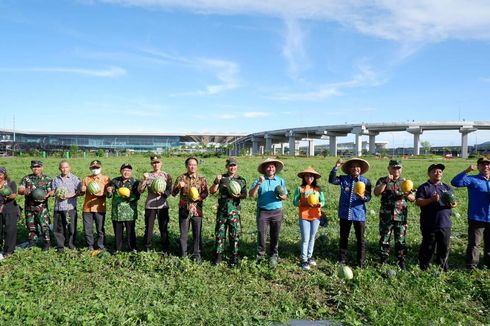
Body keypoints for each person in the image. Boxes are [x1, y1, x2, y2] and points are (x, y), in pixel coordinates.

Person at [328, 157, 372, 268]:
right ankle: (342, 259)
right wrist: (336, 167)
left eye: (357, 166)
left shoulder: (366, 181)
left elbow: (368, 197)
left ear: (360, 169)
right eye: (352, 166)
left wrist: (363, 197)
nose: (355, 168)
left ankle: (361, 261)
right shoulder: (344, 179)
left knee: (360, 239)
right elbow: (332, 180)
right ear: (349, 169)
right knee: (344, 237)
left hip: (359, 213)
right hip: (345, 213)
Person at [374, 160, 415, 269]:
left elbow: (412, 198)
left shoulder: (405, 182)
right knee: (384, 238)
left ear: (401, 169)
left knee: (400, 239)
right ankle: (384, 259)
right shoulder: (383, 180)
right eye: (394, 168)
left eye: (398, 168)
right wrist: (385, 182)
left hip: (401, 216)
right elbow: (377, 193)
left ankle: (401, 260)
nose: (396, 170)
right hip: (386, 216)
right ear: (389, 169)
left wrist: (407, 195)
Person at [451, 156, 490, 270]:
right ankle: (471, 266)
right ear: (478, 167)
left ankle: (488, 263)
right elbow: (455, 182)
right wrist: (466, 171)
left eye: (487, 164)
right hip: (476, 217)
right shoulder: (472, 179)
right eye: (482, 164)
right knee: (474, 244)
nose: (485, 166)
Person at [416, 163, 456, 271]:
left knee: (443, 246)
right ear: (429, 174)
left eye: (440, 171)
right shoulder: (424, 187)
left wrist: (452, 204)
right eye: (434, 171)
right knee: (428, 245)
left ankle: (442, 266)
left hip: (444, 223)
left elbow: (454, 203)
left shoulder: (447, 187)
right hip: (429, 222)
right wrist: (430, 200)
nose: (437, 173)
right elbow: (419, 202)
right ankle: (424, 266)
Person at [249, 158, 288, 268]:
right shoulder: (260, 180)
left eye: (272, 166)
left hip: (277, 212)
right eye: (268, 167)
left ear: (275, 169)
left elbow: (285, 195)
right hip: (263, 212)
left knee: (275, 235)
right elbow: (251, 195)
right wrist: (259, 184)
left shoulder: (280, 180)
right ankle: (260, 256)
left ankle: (273, 255)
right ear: (264, 169)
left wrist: (282, 196)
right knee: (262, 235)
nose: (270, 168)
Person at [209, 157, 247, 267]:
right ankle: (218, 256)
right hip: (222, 210)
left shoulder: (241, 180)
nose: (232, 167)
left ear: (237, 167)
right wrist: (216, 182)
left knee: (234, 234)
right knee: (220, 234)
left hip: (234, 211)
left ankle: (234, 257)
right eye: (230, 165)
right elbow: (212, 191)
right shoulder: (221, 178)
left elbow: (245, 194)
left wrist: (239, 195)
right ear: (227, 167)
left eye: (234, 165)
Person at [172, 157, 209, 262]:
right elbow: (173, 194)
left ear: (197, 166)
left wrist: (199, 198)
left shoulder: (202, 179)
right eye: (190, 164)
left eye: (194, 165)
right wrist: (178, 187)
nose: (192, 166)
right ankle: (183, 254)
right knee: (183, 234)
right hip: (184, 208)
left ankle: (197, 254)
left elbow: (205, 192)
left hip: (197, 209)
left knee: (197, 232)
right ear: (186, 166)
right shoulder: (181, 178)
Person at [138, 155, 173, 253]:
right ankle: (147, 247)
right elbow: (140, 190)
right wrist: (144, 180)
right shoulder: (147, 175)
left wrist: (164, 194)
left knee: (164, 226)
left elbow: (170, 189)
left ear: (161, 163)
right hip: (150, 205)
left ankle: (165, 248)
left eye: (157, 162)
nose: (156, 164)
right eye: (154, 162)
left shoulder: (166, 175)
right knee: (149, 227)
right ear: (151, 164)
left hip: (163, 205)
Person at [293, 167, 325, 271]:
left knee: (312, 237)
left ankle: (310, 256)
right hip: (304, 216)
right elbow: (294, 202)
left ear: (314, 177)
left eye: (311, 176)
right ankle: (304, 259)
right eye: (307, 176)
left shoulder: (318, 189)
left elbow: (323, 201)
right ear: (304, 177)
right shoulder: (300, 188)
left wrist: (320, 203)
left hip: (316, 216)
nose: (309, 177)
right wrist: (303, 203)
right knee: (305, 239)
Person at [18, 160, 53, 251]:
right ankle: (32, 241)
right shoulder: (26, 179)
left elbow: (52, 190)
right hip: (29, 206)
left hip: (42, 207)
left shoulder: (47, 179)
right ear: (31, 168)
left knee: (44, 225)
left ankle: (47, 242)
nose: (36, 168)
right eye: (34, 167)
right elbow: (20, 190)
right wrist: (25, 191)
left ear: (42, 167)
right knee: (31, 225)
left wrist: (49, 193)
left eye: (38, 167)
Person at [108, 163, 140, 253]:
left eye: (129, 170)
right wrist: (109, 191)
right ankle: (118, 248)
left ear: (131, 172)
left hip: (129, 211)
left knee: (131, 231)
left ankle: (132, 248)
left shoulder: (135, 182)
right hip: (117, 211)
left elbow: (137, 196)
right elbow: (109, 195)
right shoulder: (115, 181)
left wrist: (129, 196)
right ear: (121, 171)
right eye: (124, 170)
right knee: (118, 231)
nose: (126, 172)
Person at [51, 160, 82, 252]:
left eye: (66, 167)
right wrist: (54, 193)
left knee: (71, 228)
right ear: (59, 168)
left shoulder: (75, 179)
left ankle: (71, 244)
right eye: (62, 167)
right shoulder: (55, 179)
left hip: (70, 207)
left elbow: (79, 192)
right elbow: (53, 190)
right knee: (58, 227)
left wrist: (70, 195)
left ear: (69, 168)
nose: (64, 169)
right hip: (58, 207)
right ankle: (60, 246)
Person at [81, 160, 110, 251]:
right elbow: (82, 192)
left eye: (97, 167)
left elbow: (109, 194)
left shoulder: (106, 179)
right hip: (87, 208)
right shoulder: (86, 179)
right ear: (90, 168)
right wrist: (82, 190)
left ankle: (100, 245)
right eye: (93, 168)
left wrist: (104, 193)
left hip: (99, 208)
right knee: (87, 229)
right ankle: (90, 245)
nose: (95, 169)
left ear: (101, 168)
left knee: (100, 228)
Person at [0, 166, 20, 259]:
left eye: (1, 174)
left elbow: (14, 195)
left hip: (9, 210)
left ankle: (9, 251)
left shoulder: (11, 183)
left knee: (10, 230)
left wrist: (8, 195)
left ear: (4, 174)